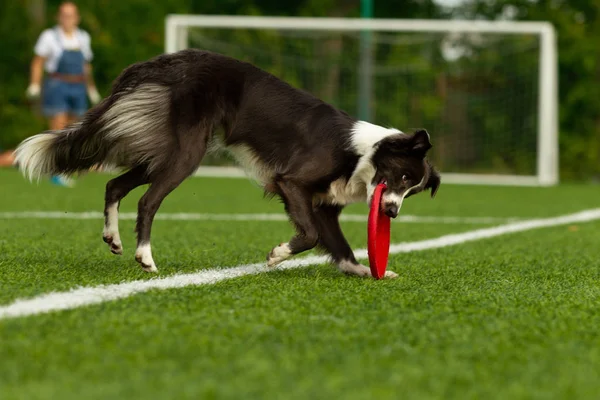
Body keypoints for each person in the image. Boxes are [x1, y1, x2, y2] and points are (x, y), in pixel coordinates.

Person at [0, 2, 101, 184]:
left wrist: (91, 88)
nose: (67, 19)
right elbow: (38, 62)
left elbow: (86, 66)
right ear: (58, 17)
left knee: (74, 129)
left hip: (77, 85)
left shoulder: (83, 37)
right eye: (64, 15)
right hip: (58, 83)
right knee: (58, 126)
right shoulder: (49, 36)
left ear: (77, 18)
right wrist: (34, 84)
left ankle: (66, 165)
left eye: (71, 15)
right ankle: (56, 170)